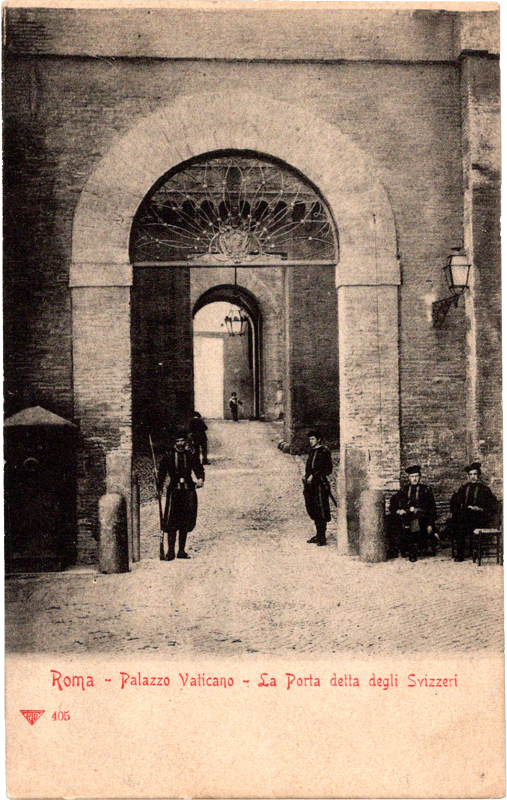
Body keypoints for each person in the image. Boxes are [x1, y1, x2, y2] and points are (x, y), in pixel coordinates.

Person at [157, 429, 204, 561]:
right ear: (174, 443)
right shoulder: (169, 457)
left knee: (185, 520)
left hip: (188, 491)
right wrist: (159, 487)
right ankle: (170, 552)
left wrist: (200, 478)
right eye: (178, 441)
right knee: (172, 521)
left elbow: (198, 468)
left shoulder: (190, 455)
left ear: (185, 442)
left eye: (182, 441)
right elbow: (162, 473)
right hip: (174, 492)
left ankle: (181, 551)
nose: (180, 443)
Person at [449, 462, 497, 562]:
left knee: (460, 521)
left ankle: (446, 536)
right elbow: (454, 502)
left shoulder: (485, 489)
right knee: (462, 520)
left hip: (480, 518)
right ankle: (460, 553)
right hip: (466, 519)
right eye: (470, 475)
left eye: (475, 474)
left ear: (478, 475)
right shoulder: (464, 488)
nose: (473, 477)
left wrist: (480, 509)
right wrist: (459, 508)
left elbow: (493, 506)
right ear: (468, 476)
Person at [389, 465, 437, 562]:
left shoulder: (426, 490)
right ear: (409, 478)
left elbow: (432, 508)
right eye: (412, 476)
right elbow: (393, 501)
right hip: (407, 516)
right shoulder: (404, 490)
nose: (414, 479)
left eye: (416, 476)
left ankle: (412, 552)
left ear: (420, 477)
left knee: (414, 522)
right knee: (392, 519)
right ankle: (395, 549)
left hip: (422, 518)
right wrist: (398, 510)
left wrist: (430, 524)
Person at [303, 429, 333, 546]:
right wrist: (306, 476)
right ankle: (318, 534)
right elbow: (310, 467)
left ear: (318, 439)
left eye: (313, 439)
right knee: (312, 509)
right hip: (310, 485)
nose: (310, 441)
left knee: (321, 509)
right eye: (309, 439)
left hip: (320, 485)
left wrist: (314, 475)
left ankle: (322, 537)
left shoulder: (324, 452)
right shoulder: (312, 451)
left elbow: (327, 469)